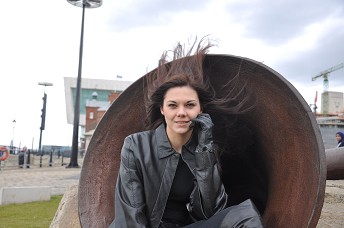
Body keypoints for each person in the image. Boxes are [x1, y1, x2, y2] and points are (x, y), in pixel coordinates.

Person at [110, 38, 263, 228]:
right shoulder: (135, 145)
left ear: (200, 110)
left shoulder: (204, 149)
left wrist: (205, 154)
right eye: (173, 105)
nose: (181, 112)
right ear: (162, 109)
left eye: (190, 105)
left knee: (246, 216)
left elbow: (211, 212)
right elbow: (130, 214)